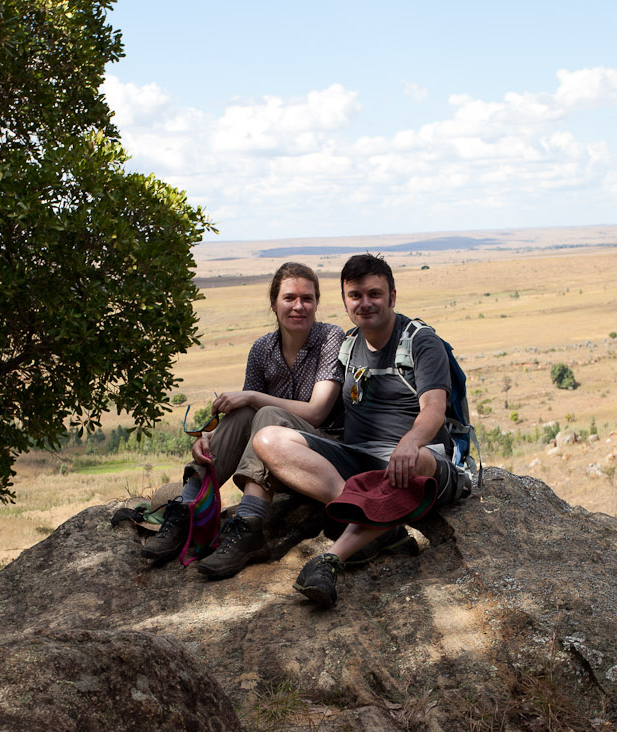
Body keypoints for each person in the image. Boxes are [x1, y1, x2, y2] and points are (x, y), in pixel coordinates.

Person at [249, 253, 474, 607]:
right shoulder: (348, 346)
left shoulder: (420, 341)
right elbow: (315, 406)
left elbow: (434, 407)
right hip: (358, 461)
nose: (365, 303)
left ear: (392, 297)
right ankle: (383, 527)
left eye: (374, 294)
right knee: (268, 439)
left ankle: (329, 560)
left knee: (411, 464)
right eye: (355, 295)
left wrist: (410, 442)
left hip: (423, 461)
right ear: (344, 301)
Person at [138, 262, 345, 573]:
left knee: (266, 412)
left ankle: (249, 526)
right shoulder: (262, 349)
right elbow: (243, 417)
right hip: (277, 461)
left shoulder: (331, 338)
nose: (299, 306)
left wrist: (252, 397)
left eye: (308, 298)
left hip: (322, 457)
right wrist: (210, 438)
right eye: (289, 298)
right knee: (250, 411)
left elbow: (317, 412)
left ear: (317, 303)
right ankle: (187, 511)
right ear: (274, 303)